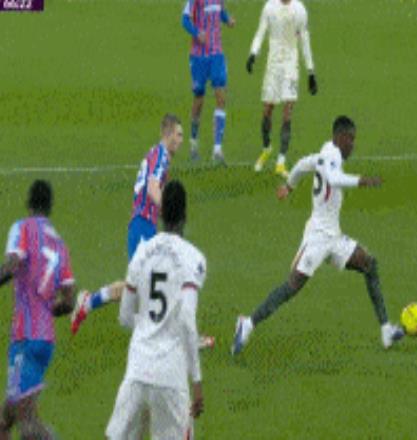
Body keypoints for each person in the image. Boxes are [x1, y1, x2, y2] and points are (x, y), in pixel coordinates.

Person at [232, 116, 404, 355]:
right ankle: (247, 324)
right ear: (340, 137)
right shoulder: (332, 156)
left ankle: (386, 330)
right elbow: (333, 179)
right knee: (292, 286)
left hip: (333, 237)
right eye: (351, 139)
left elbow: (302, 164)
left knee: (369, 264)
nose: (353, 145)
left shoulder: (326, 154)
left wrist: (289, 186)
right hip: (317, 238)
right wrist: (362, 181)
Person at [106, 180, 205, 440]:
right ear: (185, 214)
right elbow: (187, 319)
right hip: (171, 378)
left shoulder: (142, 253)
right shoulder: (193, 259)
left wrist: (147, 328)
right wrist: (197, 380)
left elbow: (125, 317)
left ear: (160, 213)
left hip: (137, 370)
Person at [70, 114, 183, 334]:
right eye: (178, 135)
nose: (180, 140)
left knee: (141, 283)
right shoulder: (160, 155)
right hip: (142, 225)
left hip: (144, 226)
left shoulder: (157, 155)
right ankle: (171, 332)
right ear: (168, 134)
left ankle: (88, 303)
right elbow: (152, 188)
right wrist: (169, 212)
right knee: (146, 283)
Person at [0, 180, 75, 440]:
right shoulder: (59, 244)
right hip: (44, 340)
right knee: (5, 419)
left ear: (29, 203)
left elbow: (11, 265)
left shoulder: (22, 228)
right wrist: (47, 309)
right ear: (50, 207)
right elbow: (69, 300)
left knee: (27, 423)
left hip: (25, 338)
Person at [247, 0, 317, 178]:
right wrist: (253, 53)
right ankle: (266, 149)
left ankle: (281, 161)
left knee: (288, 111)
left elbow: (305, 40)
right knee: (267, 110)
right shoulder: (269, 7)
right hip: (273, 65)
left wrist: (311, 71)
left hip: (290, 66)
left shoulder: (300, 10)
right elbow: (260, 32)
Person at [182, 0, 235, 165]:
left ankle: (217, 149)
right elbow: (185, 20)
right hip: (198, 56)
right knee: (199, 99)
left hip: (216, 54)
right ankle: (193, 143)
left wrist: (228, 19)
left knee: (221, 96)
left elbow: (220, 12)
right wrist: (196, 32)